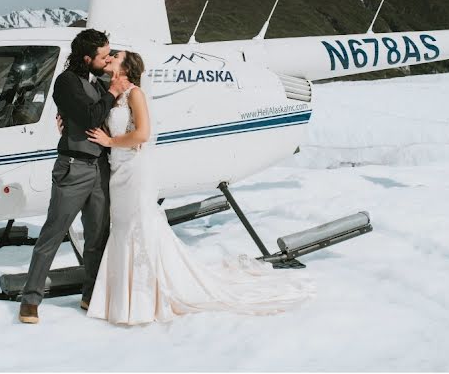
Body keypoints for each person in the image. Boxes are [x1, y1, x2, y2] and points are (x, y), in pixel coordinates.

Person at [84, 51, 315, 325]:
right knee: (123, 226)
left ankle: (144, 297)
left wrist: (109, 142)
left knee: (139, 225)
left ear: (126, 67)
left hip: (135, 170)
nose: (110, 57)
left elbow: (142, 134)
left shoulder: (135, 94)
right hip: (118, 170)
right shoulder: (115, 94)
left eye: (115, 56)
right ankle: (124, 295)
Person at [18, 29, 132, 324]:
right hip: (74, 167)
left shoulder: (99, 80)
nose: (107, 60)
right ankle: (30, 300)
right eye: (103, 56)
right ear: (86, 58)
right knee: (53, 233)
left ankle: (90, 295)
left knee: (97, 236)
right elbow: (91, 117)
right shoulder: (66, 82)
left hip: (100, 168)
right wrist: (112, 94)